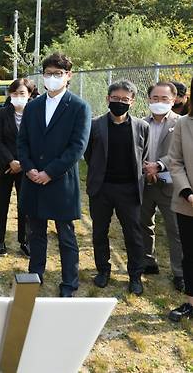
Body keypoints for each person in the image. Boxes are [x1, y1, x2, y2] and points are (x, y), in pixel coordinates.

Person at [17, 52, 92, 298]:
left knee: (66, 235)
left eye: (58, 74)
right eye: (48, 74)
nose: (52, 78)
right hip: (33, 179)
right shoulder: (33, 106)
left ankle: (69, 282)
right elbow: (23, 141)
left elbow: (77, 147)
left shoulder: (79, 107)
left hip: (60, 181)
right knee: (35, 232)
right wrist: (29, 168)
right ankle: (35, 275)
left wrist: (49, 172)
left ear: (68, 76)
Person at [84, 80, 149, 295]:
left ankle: (135, 276)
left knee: (133, 234)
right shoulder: (94, 125)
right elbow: (89, 155)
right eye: (115, 98)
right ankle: (103, 270)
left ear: (132, 101)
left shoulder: (141, 126)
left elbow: (143, 155)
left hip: (129, 190)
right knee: (100, 231)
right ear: (107, 99)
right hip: (101, 189)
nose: (120, 102)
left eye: (124, 99)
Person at [140, 82, 184, 292]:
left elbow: (180, 153)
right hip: (145, 183)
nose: (159, 102)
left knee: (175, 230)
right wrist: (145, 168)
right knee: (144, 223)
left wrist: (158, 165)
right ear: (148, 99)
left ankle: (180, 272)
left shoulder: (182, 123)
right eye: (155, 98)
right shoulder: (140, 122)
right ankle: (148, 261)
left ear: (174, 100)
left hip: (171, 184)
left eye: (164, 99)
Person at [0, 78, 35, 258]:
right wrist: (11, 161)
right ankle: (0, 240)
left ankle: (24, 241)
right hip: (5, 166)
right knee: (2, 204)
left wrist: (22, 163)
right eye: (14, 93)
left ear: (30, 94)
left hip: (27, 167)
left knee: (25, 205)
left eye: (22, 93)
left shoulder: (35, 113)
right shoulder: (1, 112)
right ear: (10, 94)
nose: (18, 97)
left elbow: (37, 142)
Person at [167, 82, 193, 322]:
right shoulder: (184, 124)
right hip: (188, 203)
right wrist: (187, 192)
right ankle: (190, 301)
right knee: (190, 253)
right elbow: (175, 161)